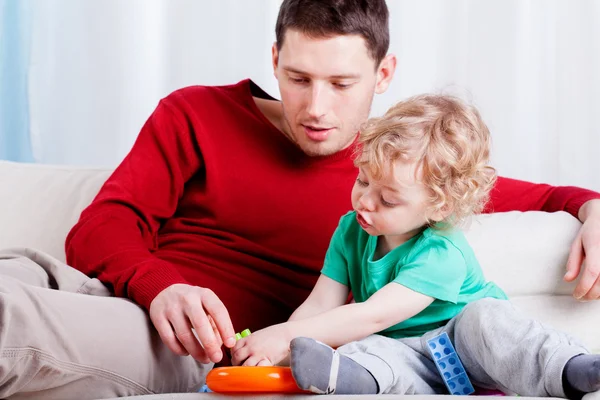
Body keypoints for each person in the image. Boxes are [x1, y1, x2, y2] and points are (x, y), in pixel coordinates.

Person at [0, 0, 598, 398]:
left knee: (10, 321)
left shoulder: (406, 173)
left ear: (384, 74)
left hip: (201, 344)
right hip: (121, 292)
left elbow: (552, 194)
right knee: (16, 269)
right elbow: (101, 226)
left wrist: (594, 208)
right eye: (298, 78)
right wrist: (161, 284)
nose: (315, 109)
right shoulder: (194, 113)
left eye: (342, 85)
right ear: (275, 61)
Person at [229, 94, 599, 399]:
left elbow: (374, 313)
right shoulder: (351, 230)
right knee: (368, 347)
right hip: (409, 359)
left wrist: (283, 336)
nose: (365, 202)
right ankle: (344, 378)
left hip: (474, 353)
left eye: (388, 200)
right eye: (362, 180)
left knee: (486, 318)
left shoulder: (442, 252)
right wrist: (280, 349)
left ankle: (570, 367)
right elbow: (320, 304)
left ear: (440, 206)